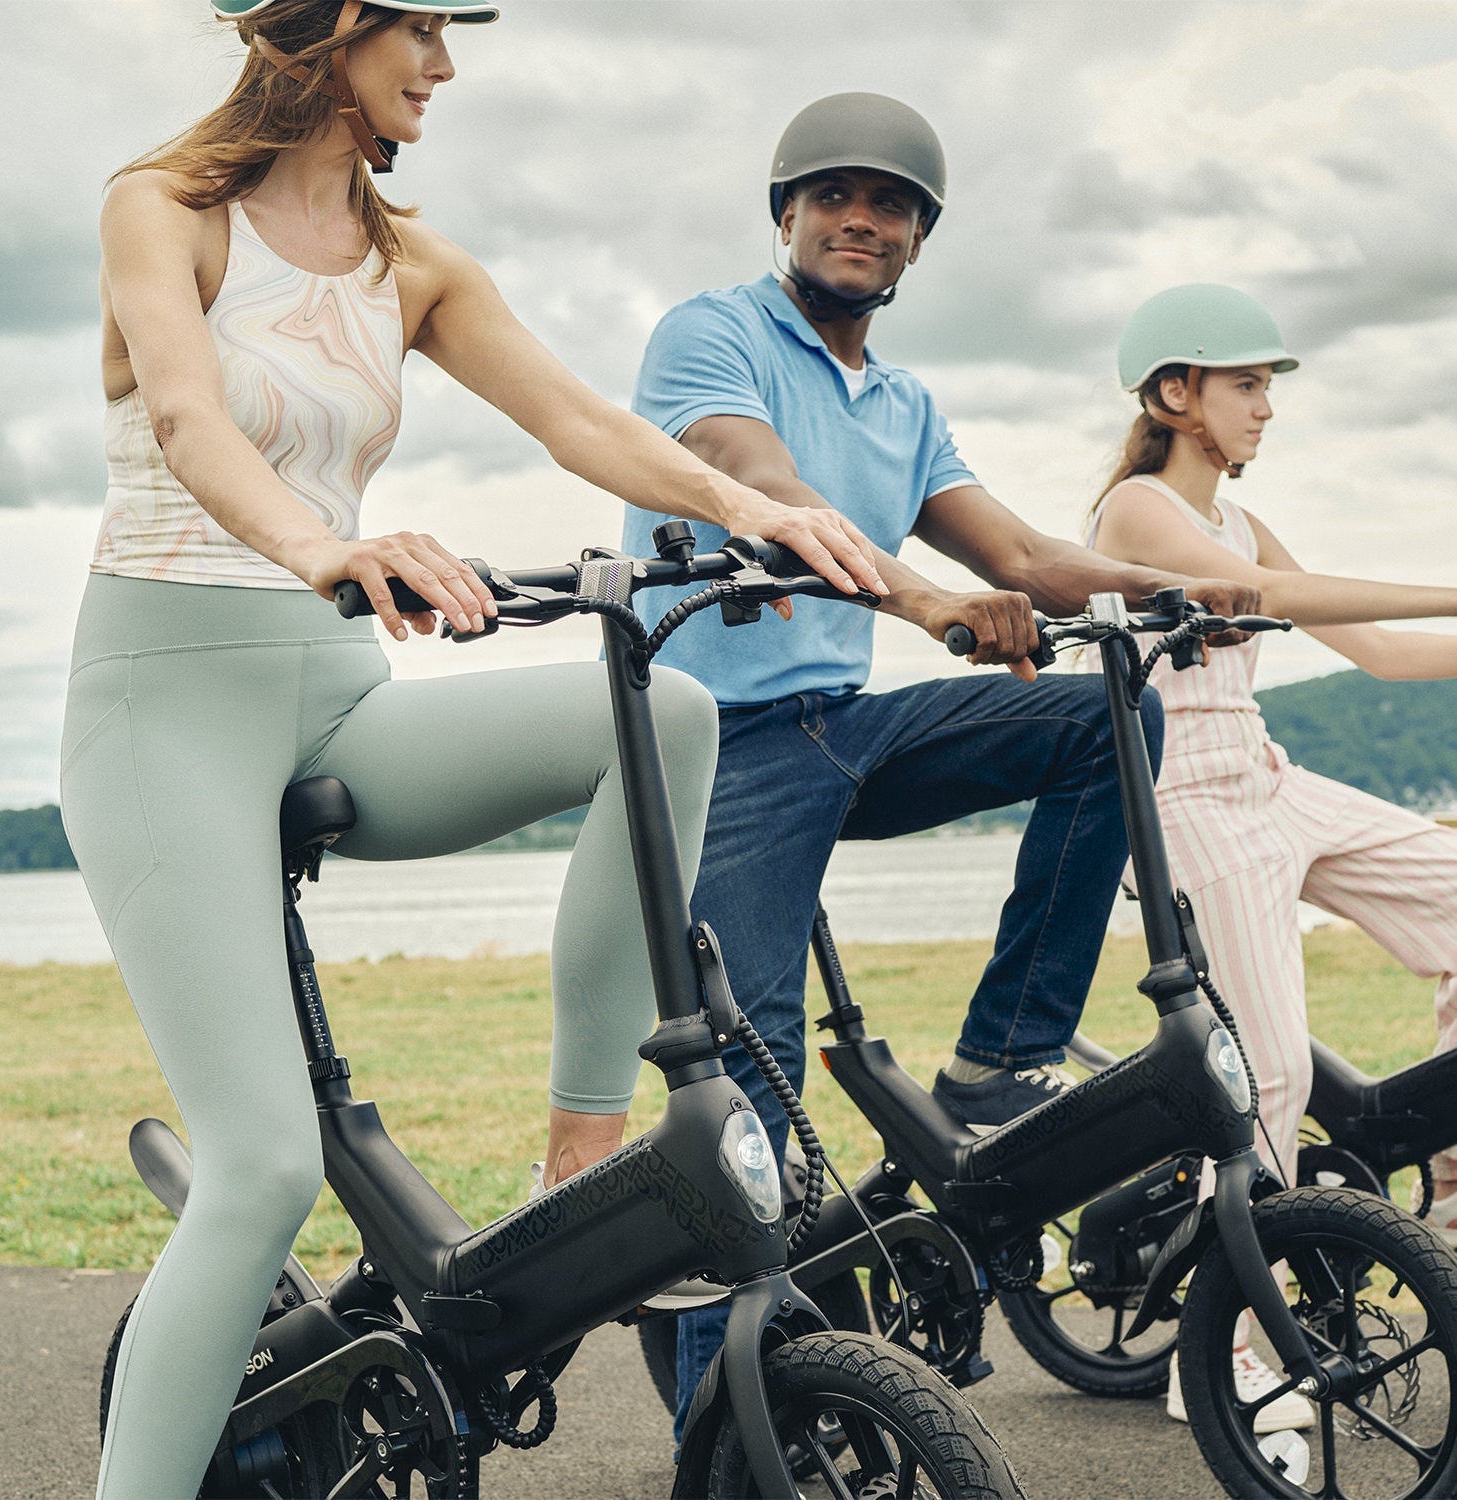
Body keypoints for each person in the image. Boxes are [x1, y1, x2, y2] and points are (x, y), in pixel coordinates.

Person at [65, 6, 885, 1496]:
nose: (444, 64)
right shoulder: (162, 207)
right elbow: (186, 415)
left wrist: (751, 508)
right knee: (257, 1171)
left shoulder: (413, 264)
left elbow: (579, 420)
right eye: (421, 27)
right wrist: (331, 546)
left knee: (663, 719)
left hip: (332, 693)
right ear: (324, 28)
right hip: (162, 700)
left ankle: (580, 1154)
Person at [618, 91, 1258, 1442]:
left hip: (845, 723)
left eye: (893, 205)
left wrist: (1175, 592)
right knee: (752, 1078)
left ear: (918, 242)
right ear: (786, 213)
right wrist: (927, 607)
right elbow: (768, 490)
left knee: (1103, 719)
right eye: (837, 196)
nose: (864, 219)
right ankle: (719, 1433)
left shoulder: (904, 399)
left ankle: (1000, 1059)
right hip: (723, 749)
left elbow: (1024, 560)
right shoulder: (713, 335)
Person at [1086, 281, 1457, 1425]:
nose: (1265, 406)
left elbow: (1386, 655)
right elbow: (1269, 598)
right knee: (1271, 1078)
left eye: (1266, 386)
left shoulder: (1239, 520)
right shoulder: (1137, 512)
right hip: (1187, 797)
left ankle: (1447, 1192)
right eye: (1247, 383)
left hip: (1268, 772)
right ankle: (1235, 1345)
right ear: (1174, 391)